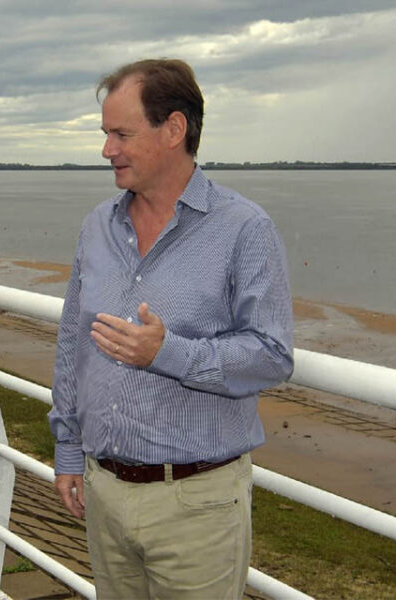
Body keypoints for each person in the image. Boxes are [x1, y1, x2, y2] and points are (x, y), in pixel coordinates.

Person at [48, 59, 294, 599]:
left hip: (196, 503)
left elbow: (272, 354)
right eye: (105, 134)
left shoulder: (244, 229)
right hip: (103, 492)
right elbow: (72, 345)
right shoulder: (97, 227)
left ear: (174, 129)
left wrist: (167, 352)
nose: (106, 149)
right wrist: (68, 451)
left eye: (121, 134)